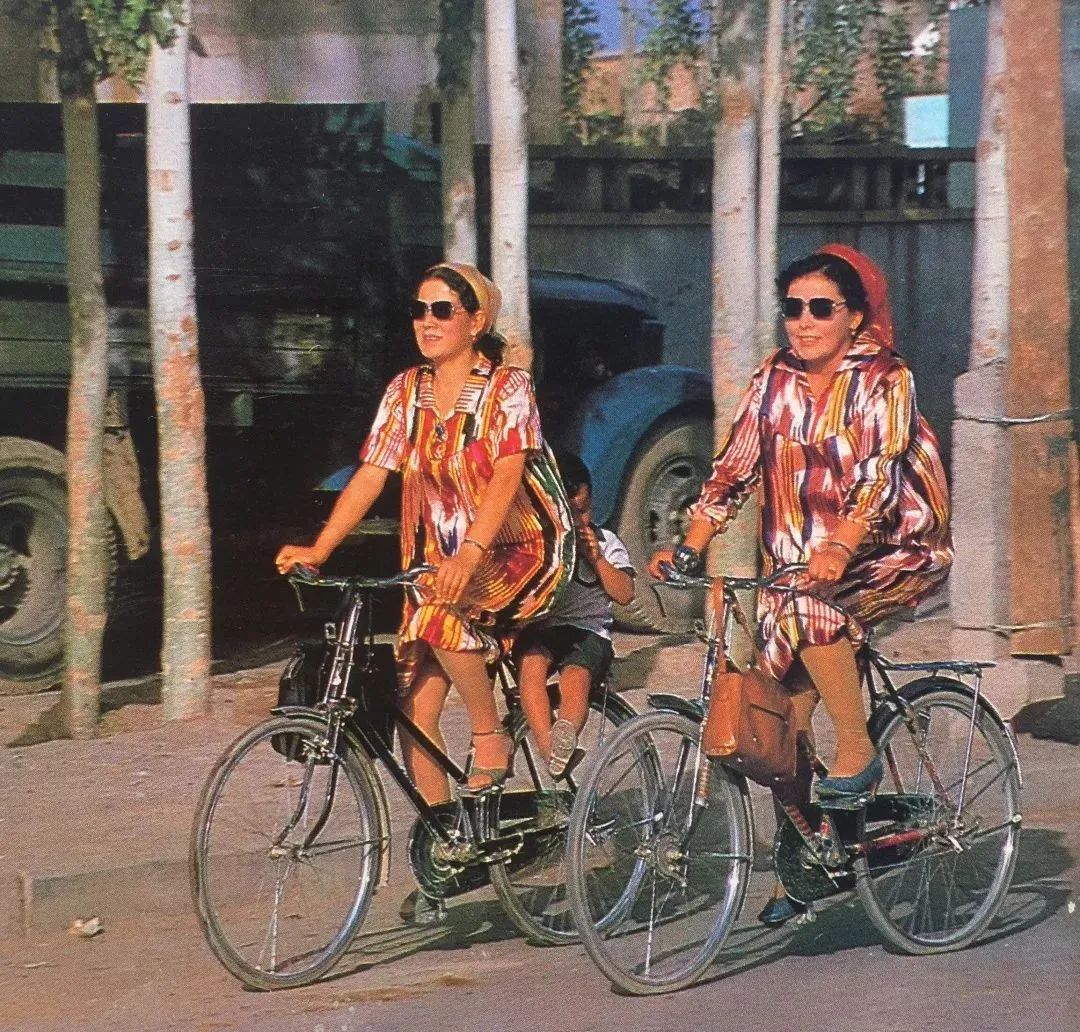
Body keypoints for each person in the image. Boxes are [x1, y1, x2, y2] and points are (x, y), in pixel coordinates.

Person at [649, 243, 953, 925]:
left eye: (822, 308)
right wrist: (690, 546)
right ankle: (814, 854)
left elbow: (879, 472)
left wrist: (842, 543)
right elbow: (732, 470)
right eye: (794, 308)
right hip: (797, 568)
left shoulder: (885, 377)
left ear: (854, 317)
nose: (805, 322)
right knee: (772, 724)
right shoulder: (773, 379)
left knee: (812, 614)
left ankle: (858, 745)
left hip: (891, 546)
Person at [276, 261, 573, 801]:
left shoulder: (508, 387)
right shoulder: (406, 390)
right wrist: (319, 548)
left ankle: (490, 736)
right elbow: (372, 473)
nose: (427, 321)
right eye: (419, 310)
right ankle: (445, 835)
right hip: (437, 563)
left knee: (438, 617)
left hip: (519, 551)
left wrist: (470, 554)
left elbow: (507, 475)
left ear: (476, 321)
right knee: (415, 710)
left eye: (442, 310)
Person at [513, 452, 635, 778]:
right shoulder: (540, 544)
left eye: (584, 511)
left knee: (576, 677)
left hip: (588, 631)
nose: (579, 522)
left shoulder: (606, 543)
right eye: (569, 514)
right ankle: (549, 748)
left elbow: (625, 593)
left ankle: (566, 729)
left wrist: (596, 560)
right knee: (531, 666)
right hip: (545, 628)